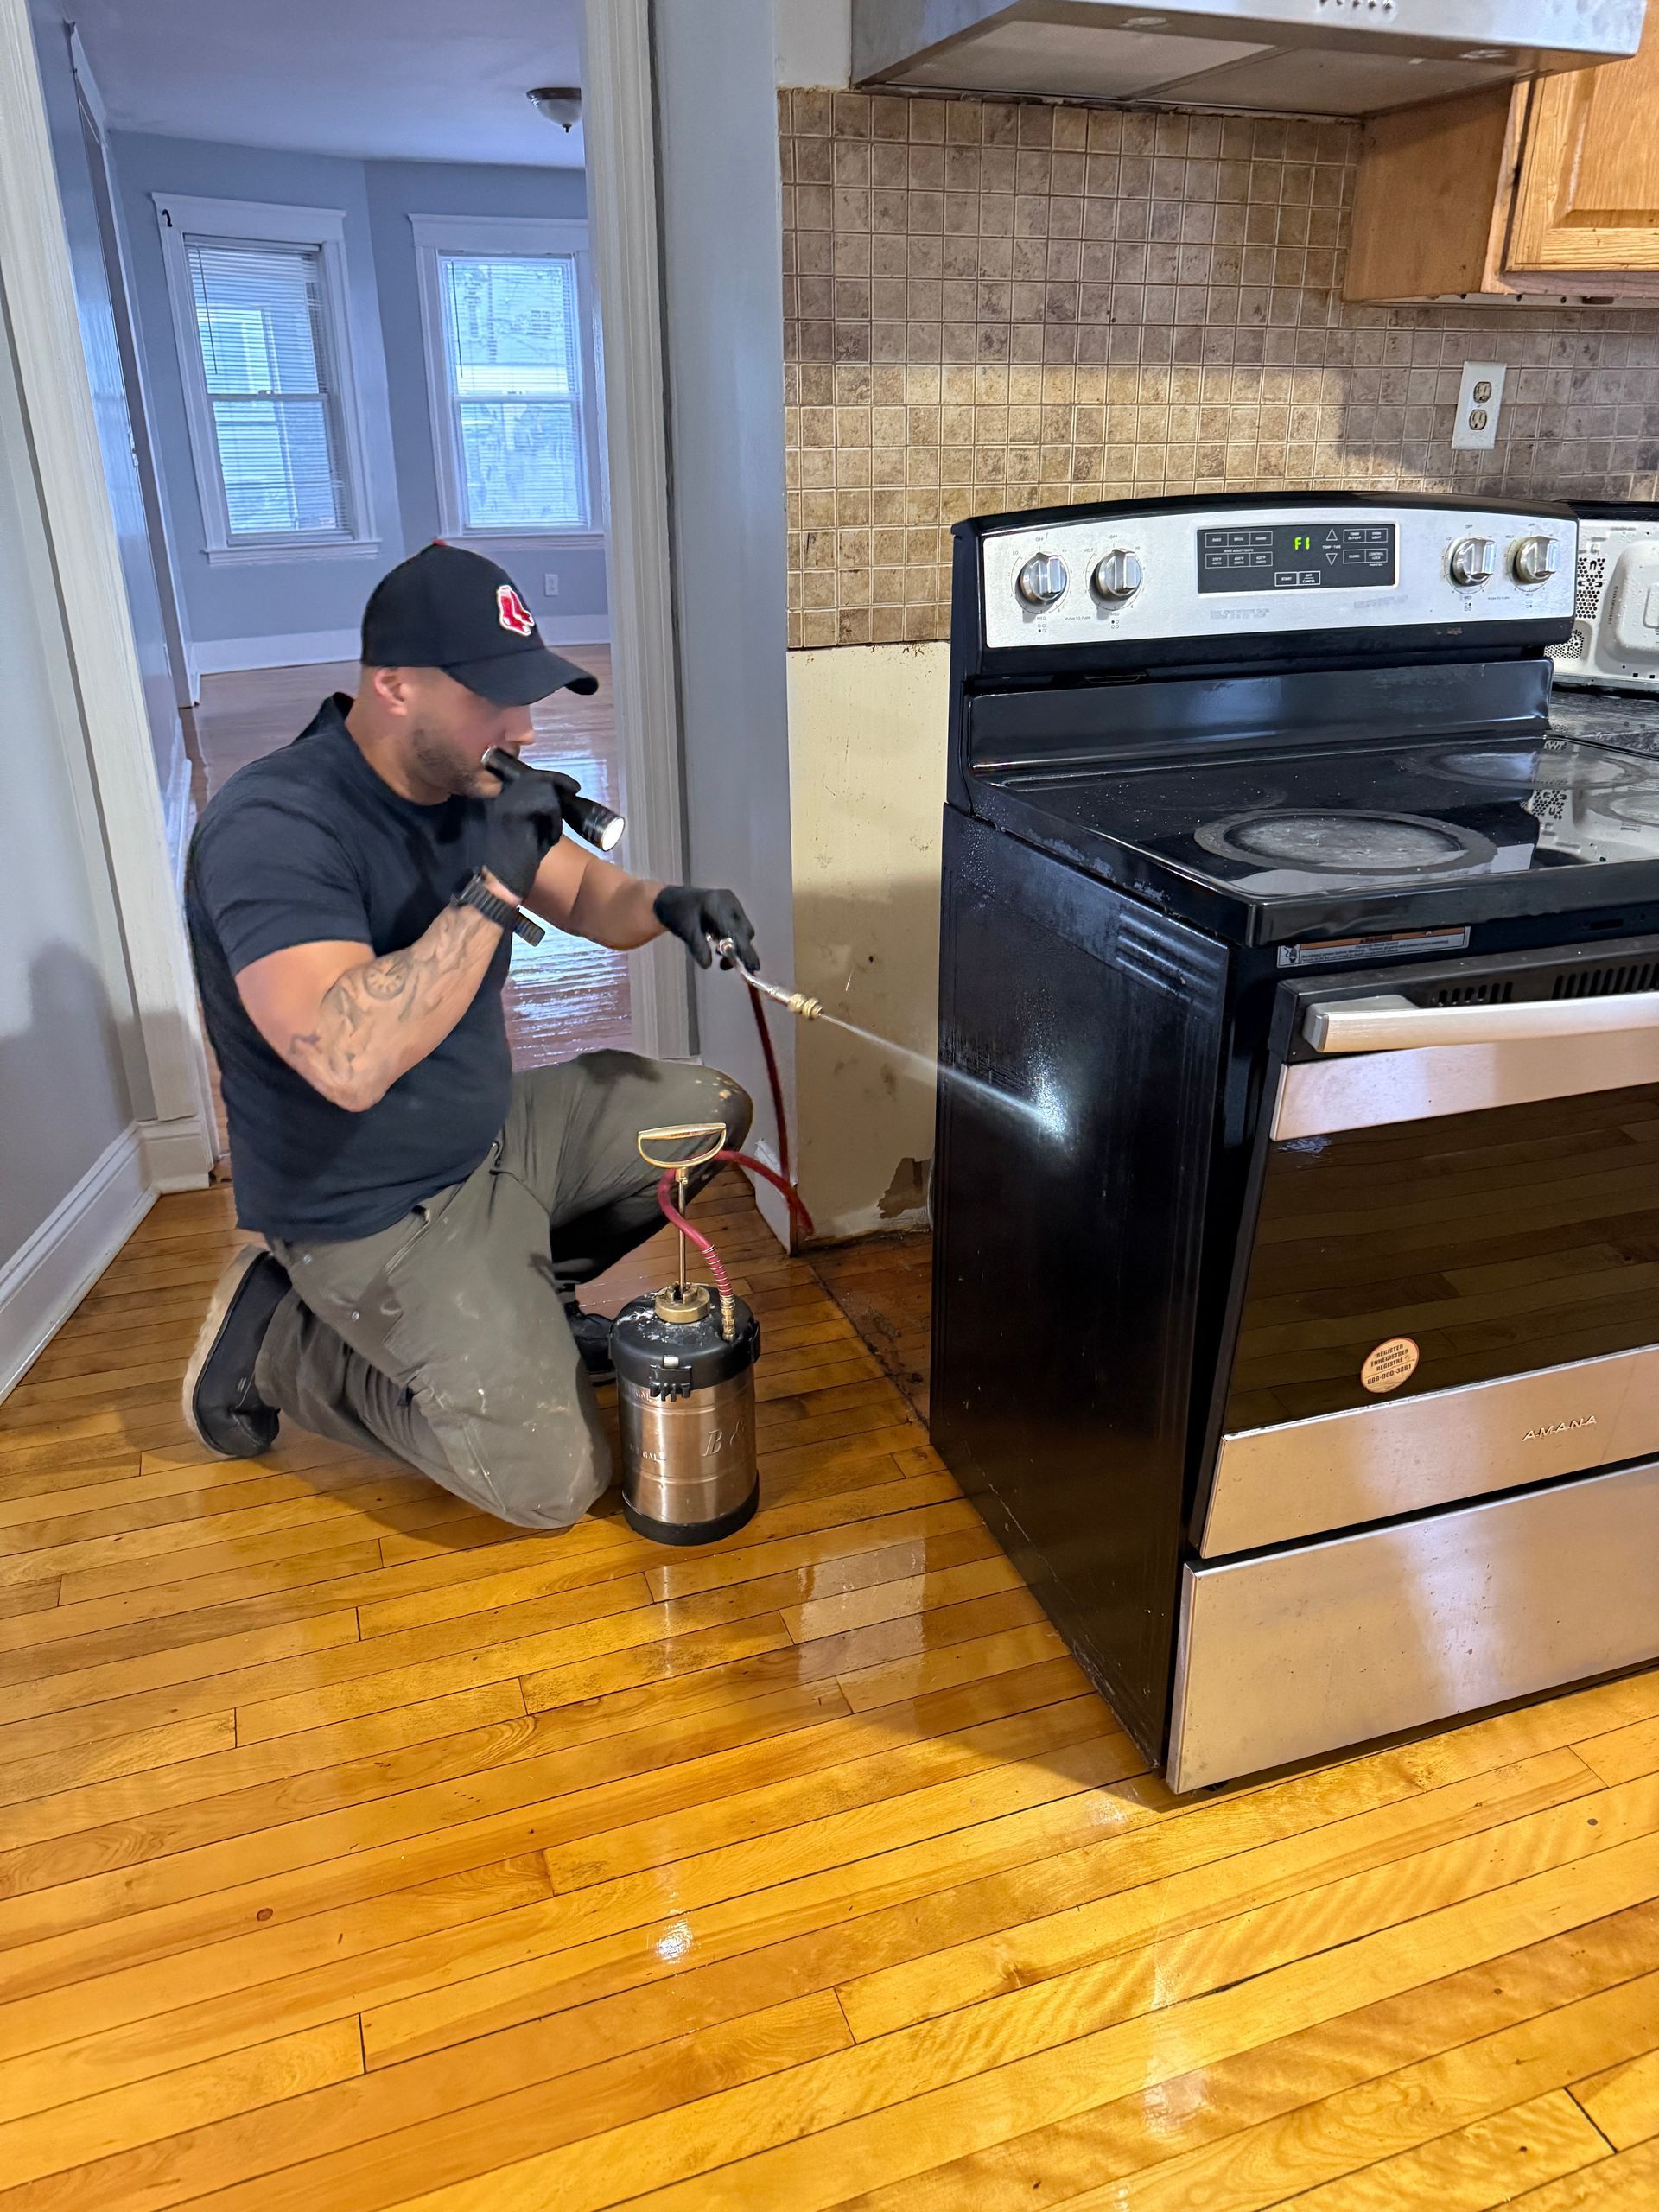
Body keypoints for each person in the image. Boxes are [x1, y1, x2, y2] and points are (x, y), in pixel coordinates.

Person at [181, 542, 758, 1532]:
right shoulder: (275, 827)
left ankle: (518, 1309)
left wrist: (669, 903)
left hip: (490, 1142)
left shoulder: (464, 786)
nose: (524, 726)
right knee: (549, 1482)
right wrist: (491, 887)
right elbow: (345, 1059)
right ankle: (279, 1339)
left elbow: (588, 894)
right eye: (495, 696)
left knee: (704, 1113)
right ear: (394, 684)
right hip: (367, 1206)